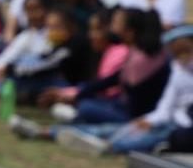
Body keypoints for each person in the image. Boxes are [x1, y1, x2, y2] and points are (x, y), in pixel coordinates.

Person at [11, 9, 170, 142]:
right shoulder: (135, 51)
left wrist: (78, 96)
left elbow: (136, 105)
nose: (111, 28)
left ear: (129, 31)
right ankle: (50, 128)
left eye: (116, 23)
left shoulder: (141, 59)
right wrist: (74, 94)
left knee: (90, 112)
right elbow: (109, 81)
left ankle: (46, 131)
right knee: (86, 104)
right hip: (122, 107)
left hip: (134, 117)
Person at [54, 26, 193, 155]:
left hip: (180, 128)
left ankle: (108, 147)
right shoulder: (178, 70)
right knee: (117, 129)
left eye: (186, 51)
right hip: (163, 121)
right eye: (178, 53)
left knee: (148, 138)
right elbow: (166, 106)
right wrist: (149, 120)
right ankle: (54, 132)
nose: (183, 58)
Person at [35, 9, 129, 115]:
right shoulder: (104, 52)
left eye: (97, 30)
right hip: (92, 95)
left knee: (85, 107)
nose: (91, 35)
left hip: (113, 104)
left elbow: (105, 91)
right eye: (91, 30)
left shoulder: (120, 52)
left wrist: (68, 95)